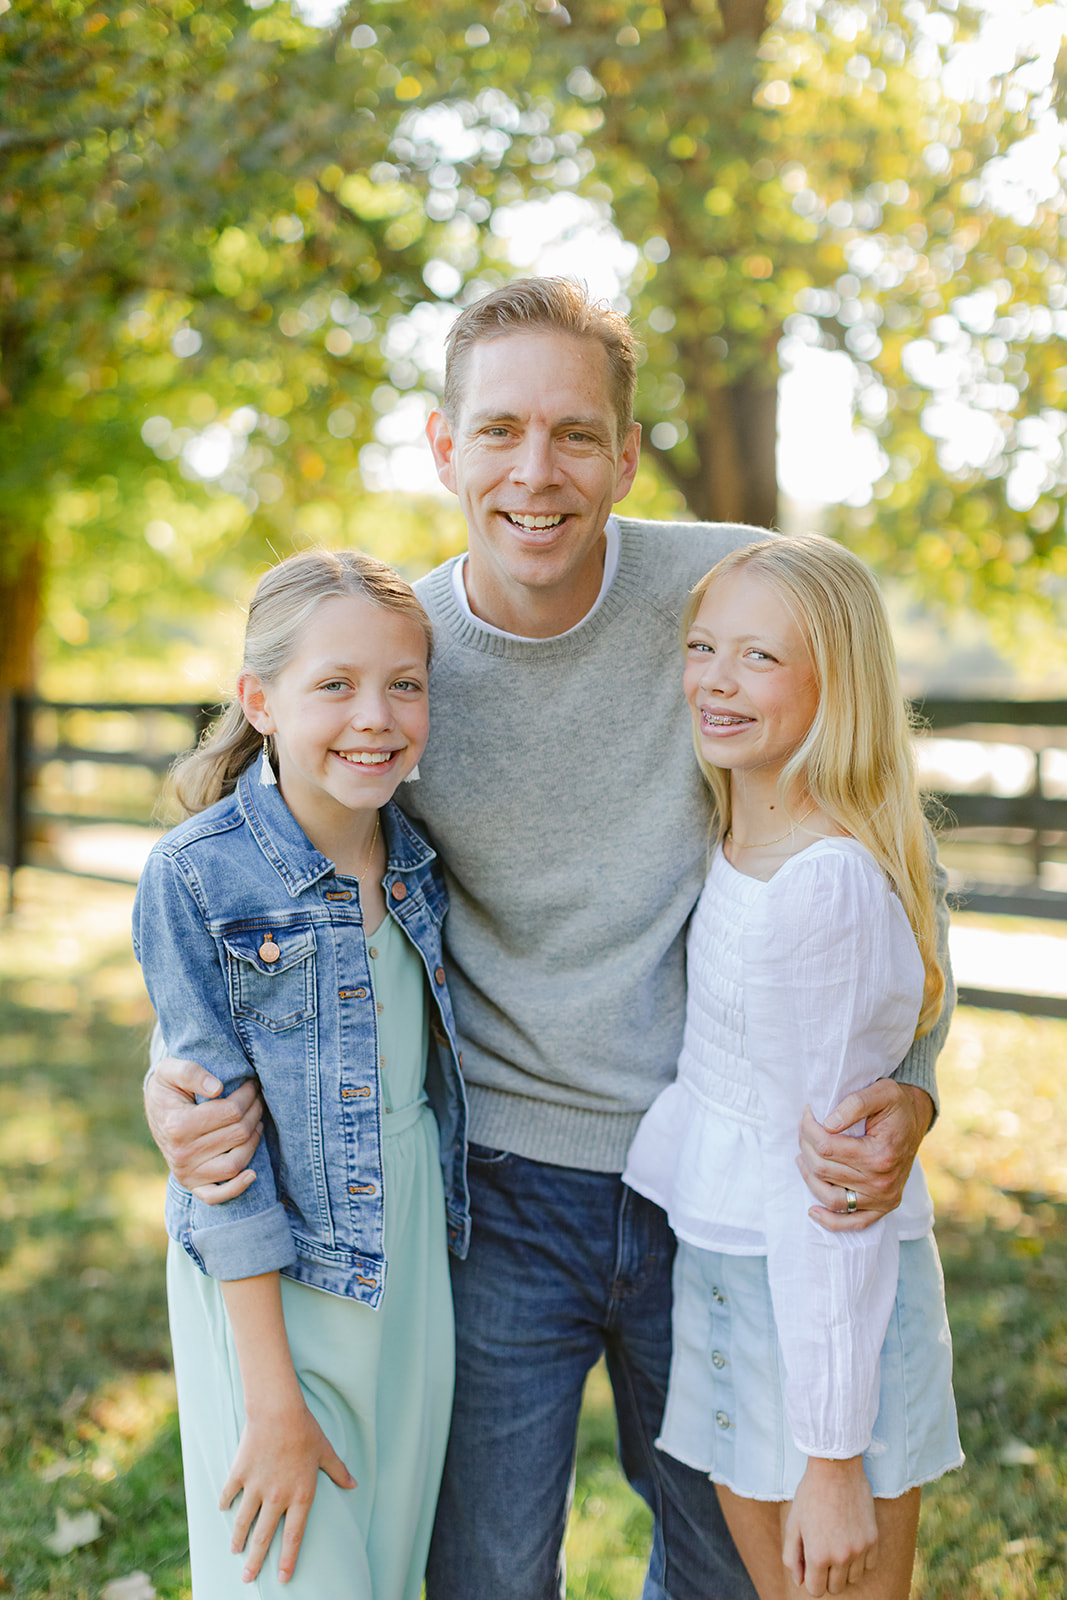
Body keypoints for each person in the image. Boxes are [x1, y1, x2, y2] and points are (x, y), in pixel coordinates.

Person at [144, 279, 951, 1600]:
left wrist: (910, 1077)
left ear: (625, 453)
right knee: (485, 1573)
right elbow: (255, 887)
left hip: (719, 1188)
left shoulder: (733, 603)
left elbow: (885, 847)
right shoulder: (397, 665)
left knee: (725, 1569)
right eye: (501, 430)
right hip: (500, 1192)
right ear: (441, 444)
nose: (537, 472)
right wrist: (173, 1074)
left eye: (576, 434)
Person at [624, 533, 962, 1599]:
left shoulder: (822, 890)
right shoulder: (740, 836)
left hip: (818, 1320)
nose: (716, 680)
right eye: (702, 646)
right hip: (730, 1274)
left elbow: (829, 1192)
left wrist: (830, 1461)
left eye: (760, 658)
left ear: (836, 682)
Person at [132, 549, 469, 1598]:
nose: (374, 715)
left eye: (402, 684)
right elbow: (220, 1160)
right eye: (335, 684)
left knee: (380, 1565)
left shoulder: (415, 858)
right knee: (289, 1574)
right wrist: (270, 1397)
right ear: (259, 699)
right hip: (272, 1289)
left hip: (410, 1266)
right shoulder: (197, 872)